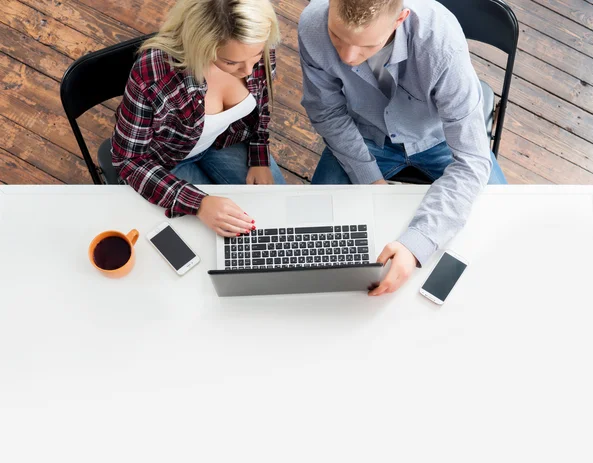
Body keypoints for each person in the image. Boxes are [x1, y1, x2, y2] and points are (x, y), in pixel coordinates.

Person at [298, 0, 507, 295]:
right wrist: (369, 178)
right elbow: (327, 112)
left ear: (400, 19)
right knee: (313, 233)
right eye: (336, 36)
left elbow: (472, 159)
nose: (346, 57)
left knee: (500, 216)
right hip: (365, 136)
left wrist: (417, 243)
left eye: (366, 46)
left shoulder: (442, 44)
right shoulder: (312, 24)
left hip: (438, 140)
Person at [111, 0, 285, 237]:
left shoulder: (254, 45)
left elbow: (261, 106)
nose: (247, 71)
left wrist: (259, 153)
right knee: (202, 237)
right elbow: (128, 160)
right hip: (166, 161)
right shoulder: (152, 73)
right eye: (230, 62)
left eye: (255, 57)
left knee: (278, 212)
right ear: (202, 45)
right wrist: (199, 203)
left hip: (225, 141)